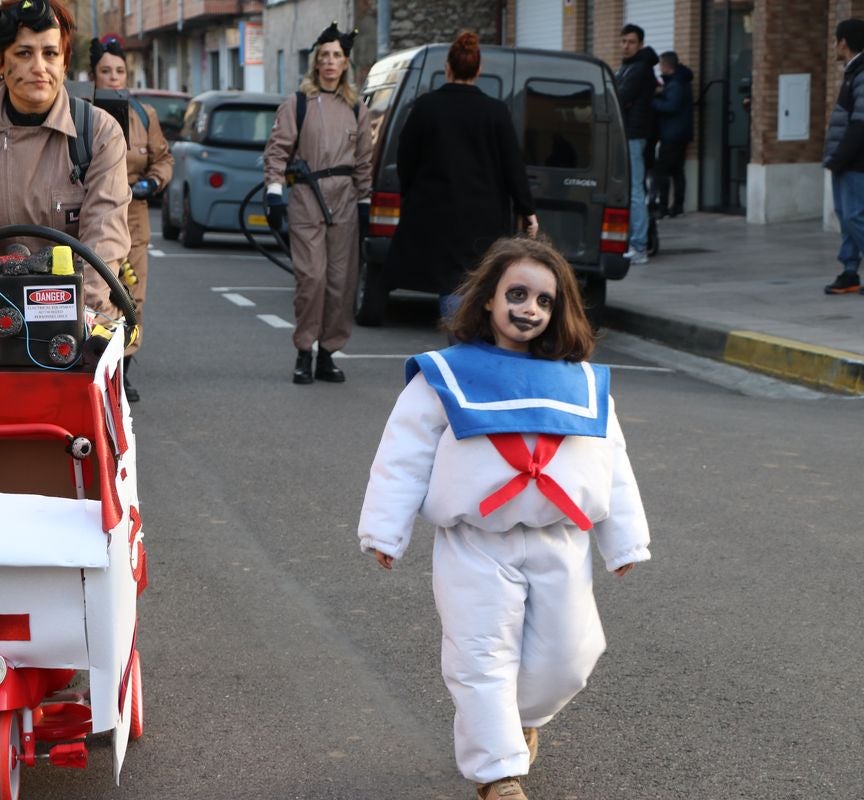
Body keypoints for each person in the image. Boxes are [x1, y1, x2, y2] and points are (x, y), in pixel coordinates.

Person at [357, 236, 651, 800]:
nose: (529, 309)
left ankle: (513, 724)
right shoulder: (444, 374)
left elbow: (612, 462)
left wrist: (625, 542)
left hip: (561, 541)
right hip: (476, 543)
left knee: (571, 657)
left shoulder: (584, 381)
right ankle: (498, 775)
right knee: (480, 654)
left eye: (544, 300)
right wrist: (385, 528)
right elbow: (404, 451)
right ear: (488, 299)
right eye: (516, 294)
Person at [0, 0, 131, 332]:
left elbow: (104, 238)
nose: (39, 66)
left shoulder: (99, 132)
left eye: (51, 54)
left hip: (77, 314)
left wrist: (85, 320)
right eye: (24, 53)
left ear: (65, 62)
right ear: (0, 61)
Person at [384, 30, 537, 329]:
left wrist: (413, 195)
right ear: (478, 71)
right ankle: (471, 343)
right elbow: (512, 167)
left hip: (437, 214)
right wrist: (526, 209)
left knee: (451, 284)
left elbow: (406, 159)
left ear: (447, 68)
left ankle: (461, 346)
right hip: (484, 217)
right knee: (478, 281)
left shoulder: (426, 107)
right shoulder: (495, 112)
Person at [263, 21, 372, 384]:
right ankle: (303, 351)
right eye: (323, 56)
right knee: (312, 279)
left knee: (341, 282)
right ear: (316, 63)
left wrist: (365, 202)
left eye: (336, 56)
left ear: (345, 64)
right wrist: (275, 192)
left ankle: (328, 353)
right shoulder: (298, 104)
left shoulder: (357, 108)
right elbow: (277, 152)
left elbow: (364, 161)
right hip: (308, 197)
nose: (329, 62)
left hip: (345, 200)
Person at [90, 34, 173, 402]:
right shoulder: (80, 111)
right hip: (91, 216)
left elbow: (163, 158)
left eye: (119, 71)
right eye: (106, 71)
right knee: (95, 292)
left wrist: (153, 182)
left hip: (134, 216)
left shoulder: (143, 114)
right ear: (93, 75)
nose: (113, 78)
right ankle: (93, 365)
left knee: (130, 294)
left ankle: (123, 369)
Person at [824, 18, 864, 295]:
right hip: (846, 160)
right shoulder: (853, 71)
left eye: (836, 40)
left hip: (857, 161)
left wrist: (841, 157)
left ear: (844, 42)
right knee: (845, 215)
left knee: (854, 216)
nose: (834, 46)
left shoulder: (862, 73)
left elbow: (861, 123)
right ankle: (849, 271)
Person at [614, 24, 658, 266]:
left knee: (635, 192)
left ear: (640, 44)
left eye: (631, 42)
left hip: (634, 134)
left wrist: (620, 95)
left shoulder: (640, 69)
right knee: (631, 190)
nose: (626, 46)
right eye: (623, 41)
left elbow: (620, 97)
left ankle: (639, 246)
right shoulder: (628, 66)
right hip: (627, 133)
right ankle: (634, 242)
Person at [650, 52, 693, 218]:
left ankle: (662, 207)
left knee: (661, 171)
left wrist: (652, 101)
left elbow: (671, 106)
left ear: (667, 66)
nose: (659, 68)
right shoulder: (680, 80)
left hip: (672, 134)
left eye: (660, 65)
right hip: (681, 133)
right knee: (676, 171)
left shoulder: (676, 83)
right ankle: (677, 206)